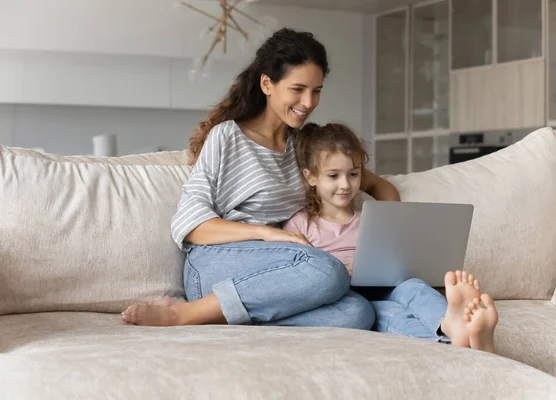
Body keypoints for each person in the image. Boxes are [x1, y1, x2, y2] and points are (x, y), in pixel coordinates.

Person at [121, 28, 400, 328]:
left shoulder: (307, 147)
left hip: (281, 274)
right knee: (328, 270)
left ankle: (239, 311)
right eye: (298, 89)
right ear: (267, 84)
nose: (308, 102)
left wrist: (379, 243)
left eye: (316, 90)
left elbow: (378, 186)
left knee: (358, 313)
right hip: (215, 265)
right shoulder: (227, 137)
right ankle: (185, 313)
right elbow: (190, 224)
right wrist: (269, 233)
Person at [282, 122, 498, 352]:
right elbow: (294, 277)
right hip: (350, 299)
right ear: (311, 177)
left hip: (386, 287)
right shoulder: (300, 224)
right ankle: (458, 341)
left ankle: (452, 322)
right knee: (390, 315)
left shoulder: (372, 218)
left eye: (353, 174)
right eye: (333, 176)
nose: (345, 184)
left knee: (414, 287)